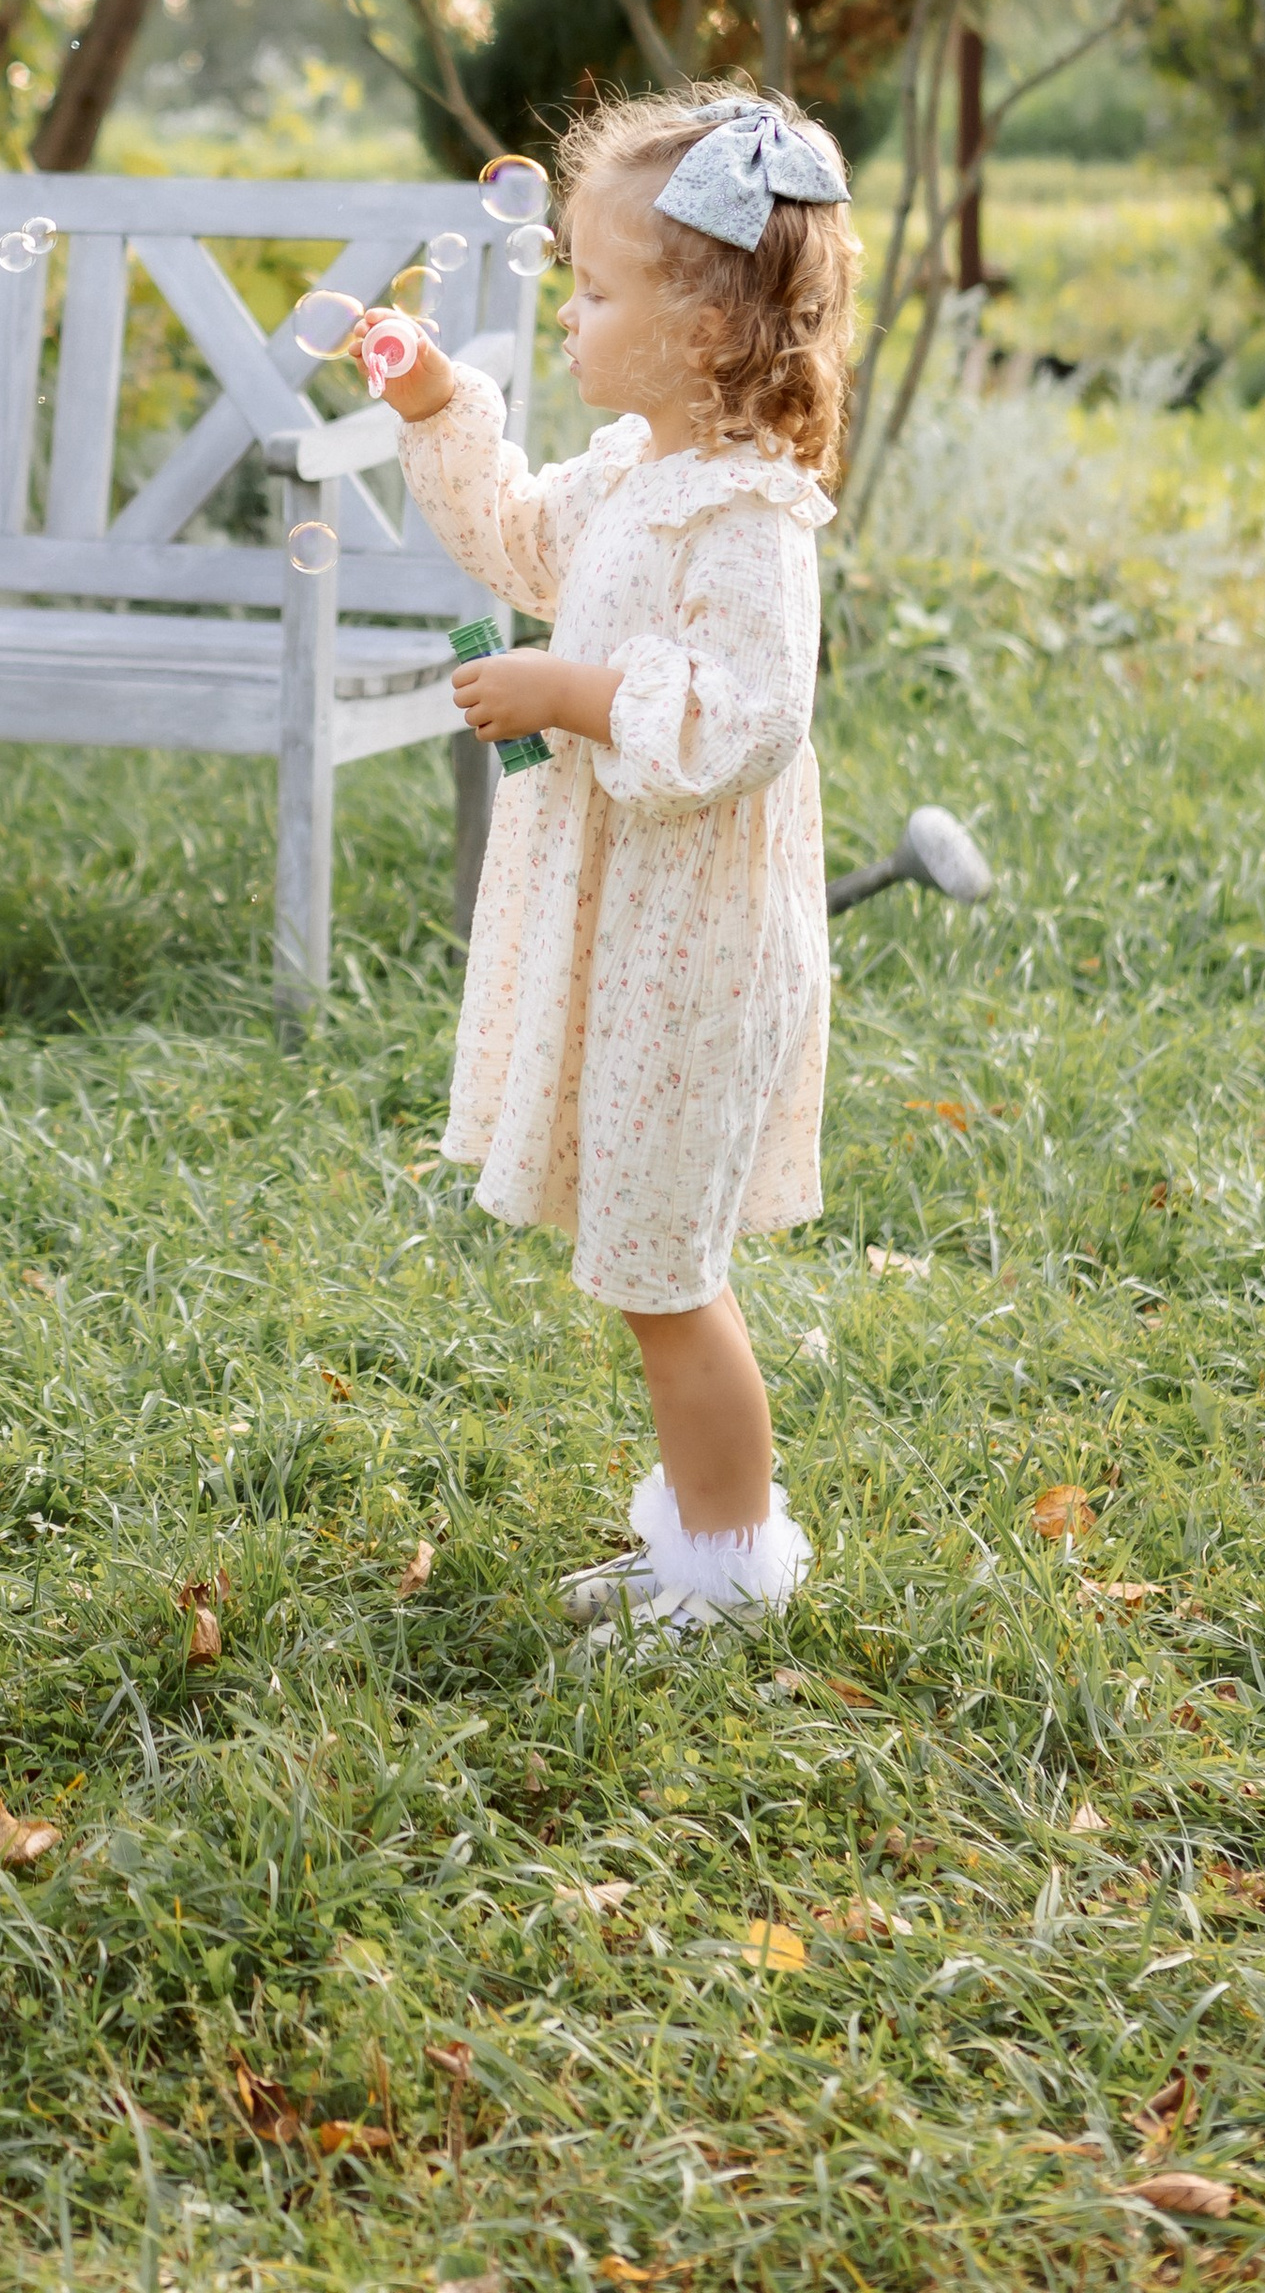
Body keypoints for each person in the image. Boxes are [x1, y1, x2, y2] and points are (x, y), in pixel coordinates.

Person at [367, 85, 856, 1640]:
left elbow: (752, 719)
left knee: (663, 1263)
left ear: (703, 325)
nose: (567, 314)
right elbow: (514, 538)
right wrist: (441, 400)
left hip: (697, 947)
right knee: (643, 1247)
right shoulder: (631, 474)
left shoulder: (749, 514)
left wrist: (571, 692)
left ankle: (729, 1565)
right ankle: (693, 1544)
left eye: (592, 288)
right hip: (628, 932)